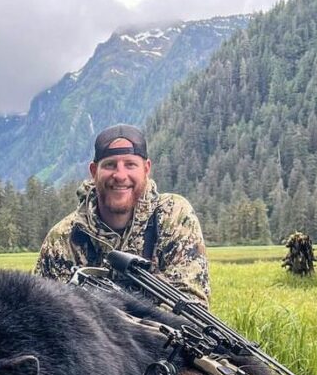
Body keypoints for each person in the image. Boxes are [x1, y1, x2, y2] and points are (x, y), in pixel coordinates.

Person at [34, 124, 211, 306]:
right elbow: (40, 312)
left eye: (130, 164)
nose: (120, 175)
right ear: (94, 172)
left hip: (157, 334)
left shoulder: (174, 216)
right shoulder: (62, 239)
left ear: (146, 169)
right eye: (110, 165)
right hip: (83, 334)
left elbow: (191, 304)